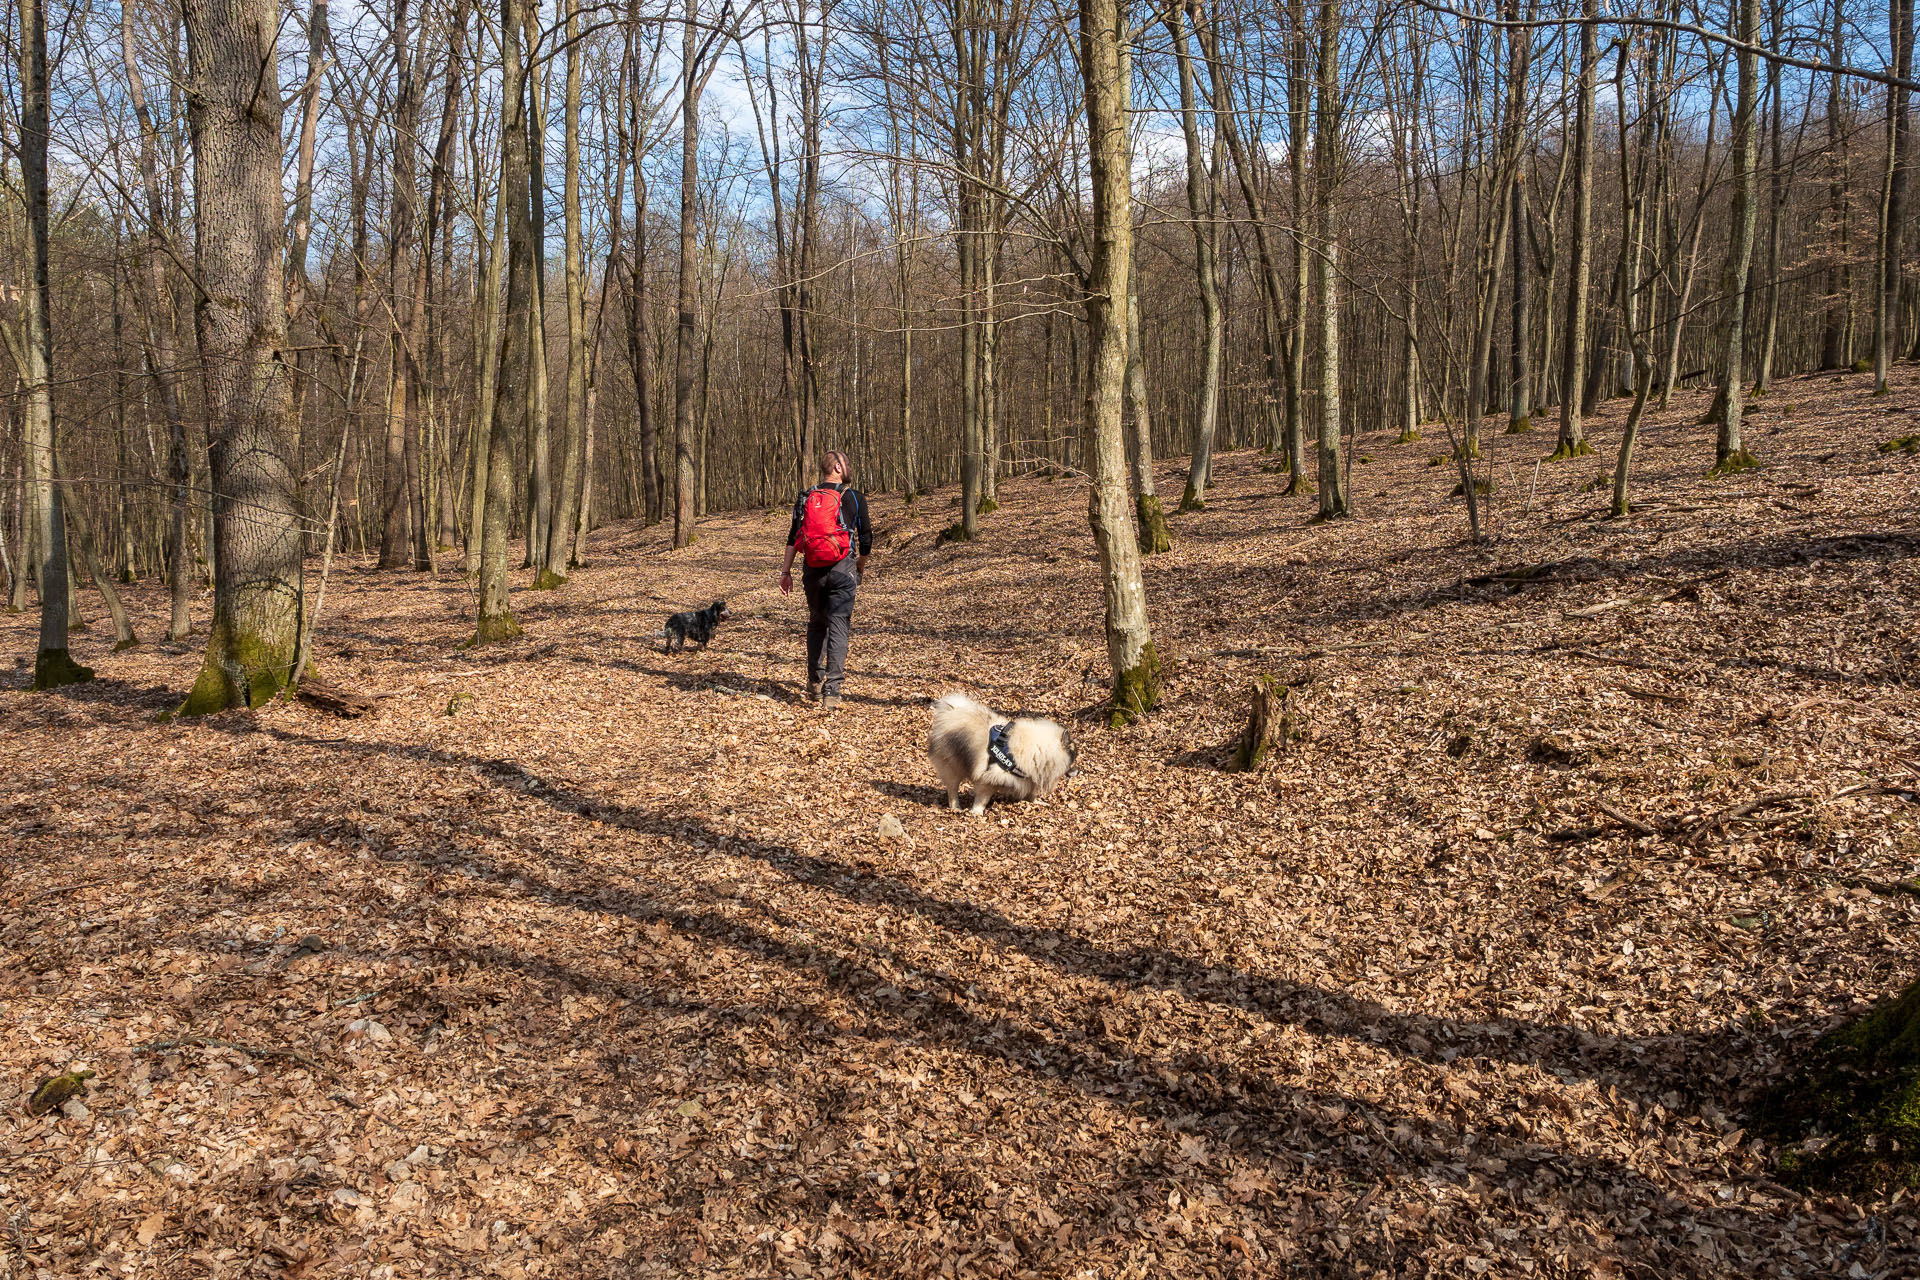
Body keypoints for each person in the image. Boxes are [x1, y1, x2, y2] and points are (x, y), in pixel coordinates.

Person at [779, 450, 871, 710]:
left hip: (812, 570)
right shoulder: (853, 496)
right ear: (839, 467)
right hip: (843, 569)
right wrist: (859, 567)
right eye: (848, 463)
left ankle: (814, 681)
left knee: (817, 622)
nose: (850, 467)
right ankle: (833, 690)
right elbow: (866, 539)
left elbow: (793, 536)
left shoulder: (806, 497)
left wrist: (785, 573)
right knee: (839, 624)